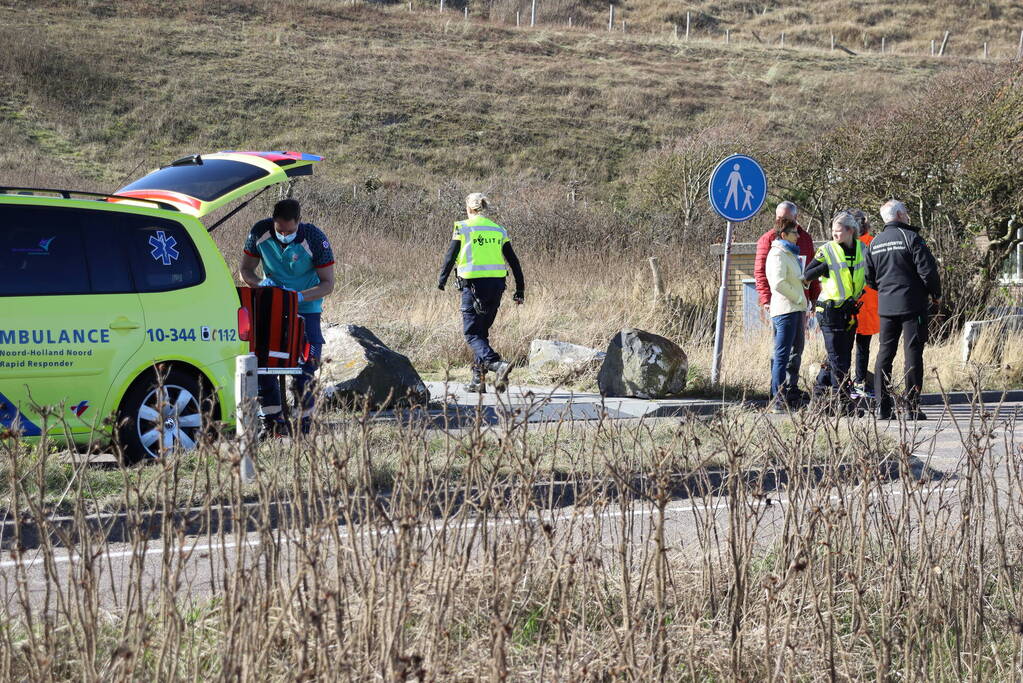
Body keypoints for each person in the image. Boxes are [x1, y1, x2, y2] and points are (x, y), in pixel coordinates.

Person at [239, 198, 335, 435]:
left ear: (298, 223)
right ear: (273, 221)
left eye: (289, 230)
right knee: (263, 365)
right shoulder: (259, 232)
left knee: (305, 369)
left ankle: (304, 424)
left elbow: (328, 284)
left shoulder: (314, 239)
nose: (284, 234)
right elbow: (245, 270)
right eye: (280, 229)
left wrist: (299, 298)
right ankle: (273, 424)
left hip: (305, 310)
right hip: (271, 306)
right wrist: (261, 284)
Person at [437, 193, 525, 393]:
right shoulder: (498, 229)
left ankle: (497, 364)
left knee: (472, 333)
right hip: (497, 286)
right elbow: (514, 261)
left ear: (468, 208)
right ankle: (478, 380)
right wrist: (520, 289)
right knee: (482, 332)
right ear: (483, 208)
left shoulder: (463, 227)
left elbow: (451, 255)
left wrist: (442, 279)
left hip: (473, 286)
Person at [865, 199, 941, 420]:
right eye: (905, 213)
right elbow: (928, 272)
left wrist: (887, 291)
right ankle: (911, 408)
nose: (908, 216)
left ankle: (882, 407)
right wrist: (935, 295)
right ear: (898, 215)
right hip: (912, 306)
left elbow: (870, 278)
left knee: (884, 354)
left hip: (886, 306)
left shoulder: (875, 242)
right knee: (913, 354)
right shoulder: (911, 238)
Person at [754, 201, 819, 405]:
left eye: (785, 219)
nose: (780, 221)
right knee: (781, 350)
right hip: (783, 305)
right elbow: (765, 275)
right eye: (778, 218)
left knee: (797, 348)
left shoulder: (804, 239)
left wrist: (813, 296)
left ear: (795, 218)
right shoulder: (769, 242)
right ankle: (778, 391)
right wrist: (766, 299)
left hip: (799, 305)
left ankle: (791, 387)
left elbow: (810, 270)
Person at [803, 211, 866, 410]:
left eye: (838, 232)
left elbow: (871, 273)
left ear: (850, 231)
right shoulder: (827, 250)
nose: (834, 235)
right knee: (838, 357)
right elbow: (807, 274)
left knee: (841, 357)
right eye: (832, 231)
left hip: (849, 311)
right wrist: (822, 269)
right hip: (829, 311)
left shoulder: (863, 249)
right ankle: (845, 402)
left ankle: (819, 393)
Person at [765, 217, 807, 412]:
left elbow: (791, 278)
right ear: (784, 235)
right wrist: (798, 297)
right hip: (785, 310)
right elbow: (779, 283)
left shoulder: (789, 253)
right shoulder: (777, 255)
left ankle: (790, 392)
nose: (798, 236)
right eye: (794, 233)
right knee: (781, 355)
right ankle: (777, 399)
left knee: (794, 352)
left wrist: (803, 282)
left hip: (796, 309)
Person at [849, 209, 879, 399]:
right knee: (862, 346)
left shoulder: (844, 245)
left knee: (842, 346)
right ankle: (860, 381)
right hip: (868, 303)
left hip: (849, 301)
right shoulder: (873, 242)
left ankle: (844, 383)